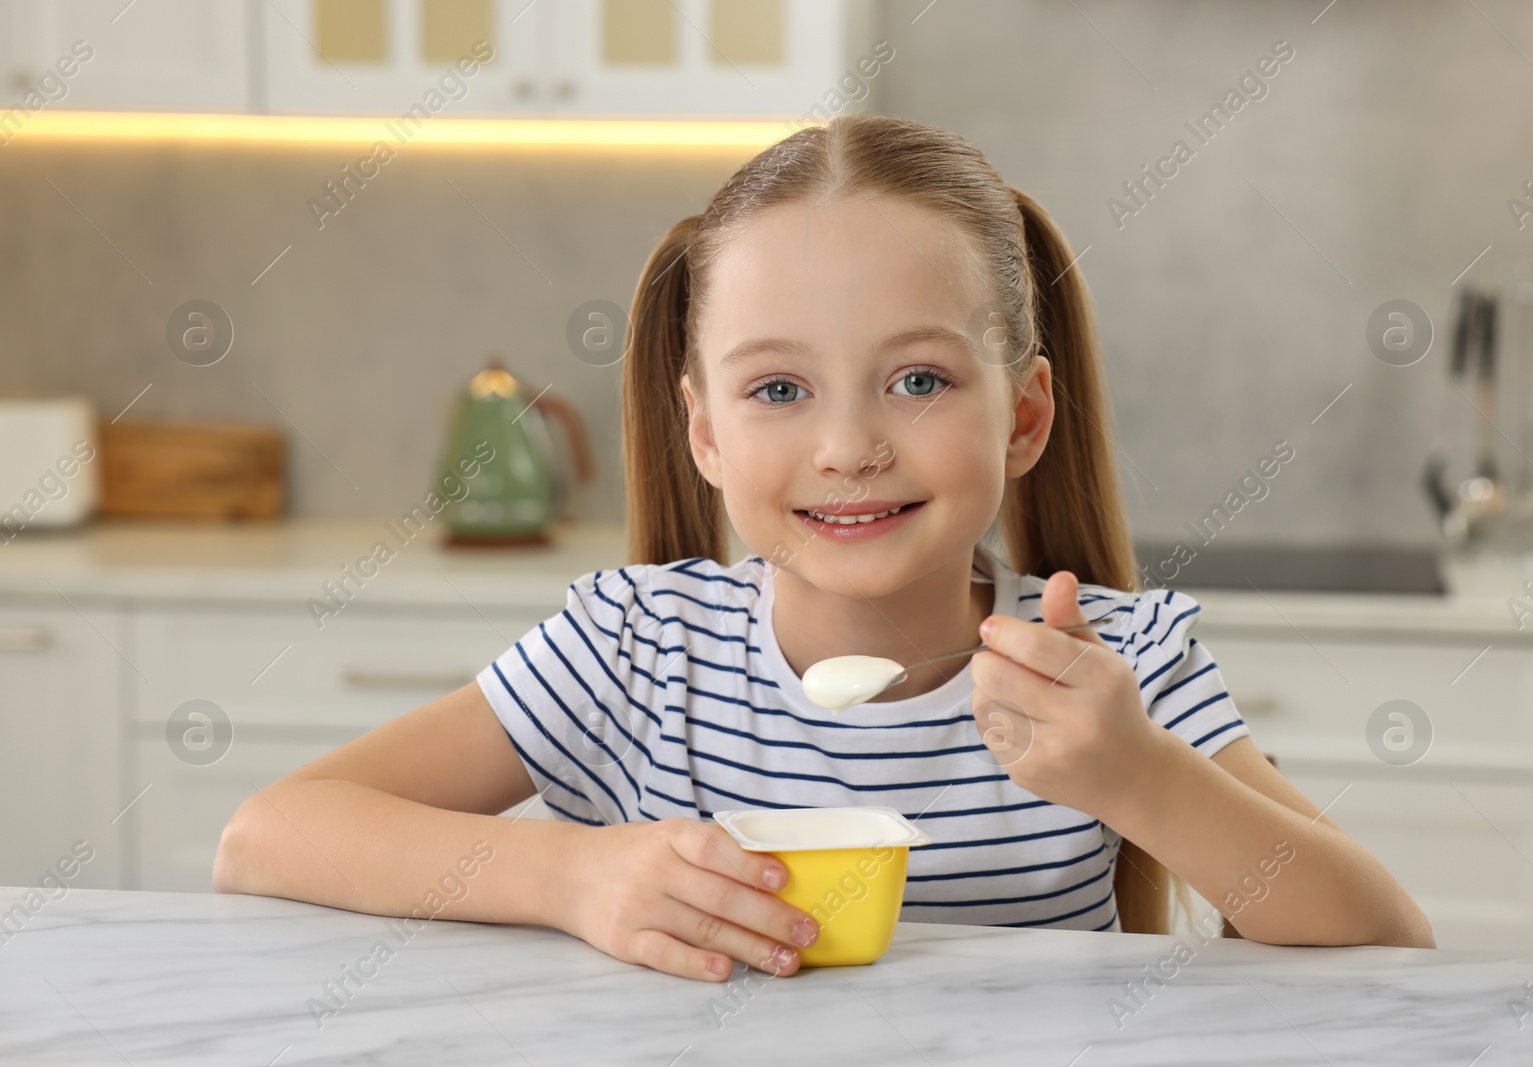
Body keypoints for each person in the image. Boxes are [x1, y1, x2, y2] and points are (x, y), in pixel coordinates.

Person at [215, 113, 1433, 984]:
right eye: (779, 388)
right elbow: (269, 832)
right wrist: (571, 876)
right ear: (702, 429)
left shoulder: (1114, 665)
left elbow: (1386, 941)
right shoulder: (638, 648)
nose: (849, 445)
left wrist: (1132, 774)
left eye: (916, 378)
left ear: (1023, 416)